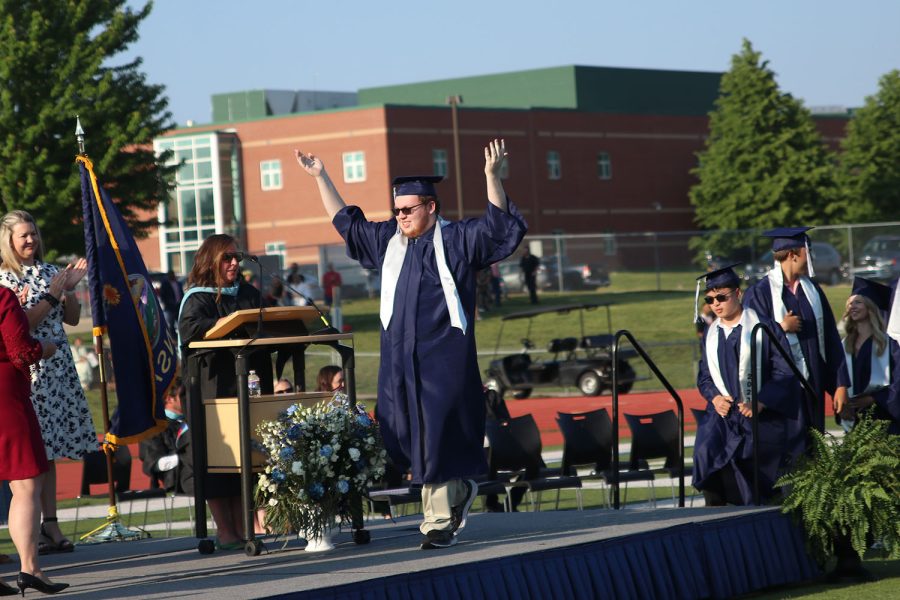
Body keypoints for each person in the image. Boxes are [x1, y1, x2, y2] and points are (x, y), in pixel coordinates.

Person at [295, 138, 527, 549]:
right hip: (398, 363)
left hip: (444, 361)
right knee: (400, 434)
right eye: (397, 210)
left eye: (408, 209)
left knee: (434, 436)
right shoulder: (390, 242)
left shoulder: (457, 240)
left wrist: (492, 178)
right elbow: (348, 224)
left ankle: (436, 522)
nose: (400, 216)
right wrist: (321, 178)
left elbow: (497, 228)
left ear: (431, 207)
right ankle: (457, 493)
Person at [0, 210, 98, 556]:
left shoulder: (50, 271)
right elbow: (19, 326)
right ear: (9, 241)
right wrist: (53, 296)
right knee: (29, 454)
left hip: (58, 368)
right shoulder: (5, 280)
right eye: (23, 236)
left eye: (33, 234)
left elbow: (71, 319)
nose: (31, 241)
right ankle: (29, 531)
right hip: (29, 368)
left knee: (51, 449)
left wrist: (70, 290)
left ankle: (50, 524)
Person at [178, 234, 273, 548]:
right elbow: (191, 331)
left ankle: (247, 525)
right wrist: (229, 323)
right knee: (219, 461)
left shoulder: (247, 292)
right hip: (210, 390)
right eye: (227, 258)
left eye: (237, 258)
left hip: (246, 386)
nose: (234, 263)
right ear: (211, 260)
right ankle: (225, 530)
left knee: (245, 458)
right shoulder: (197, 298)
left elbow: (266, 324)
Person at [693, 265, 800, 505]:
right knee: (706, 454)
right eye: (710, 299)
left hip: (757, 415)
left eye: (722, 297)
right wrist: (714, 398)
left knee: (752, 469)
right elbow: (704, 376)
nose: (716, 304)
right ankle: (715, 516)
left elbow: (784, 372)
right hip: (722, 416)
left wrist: (762, 400)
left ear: (738, 294)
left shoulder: (764, 328)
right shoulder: (711, 334)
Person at [742, 227, 849, 457]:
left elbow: (830, 338)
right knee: (787, 460)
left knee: (813, 454)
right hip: (779, 393)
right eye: (808, 251)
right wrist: (780, 328)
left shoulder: (813, 291)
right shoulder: (759, 293)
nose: (811, 257)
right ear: (793, 254)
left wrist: (840, 384)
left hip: (813, 388)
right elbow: (748, 342)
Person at [0, 286, 68, 595]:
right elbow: (21, 351)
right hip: (5, 398)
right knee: (26, 484)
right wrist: (47, 347)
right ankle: (31, 568)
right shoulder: (2, 296)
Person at [839, 277, 899, 434]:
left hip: (884, 422)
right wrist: (841, 405)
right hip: (854, 422)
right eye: (850, 303)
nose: (852, 306)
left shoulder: (889, 346)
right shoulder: (843, 346)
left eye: (858, 302)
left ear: (870, 307)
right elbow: (837, 381)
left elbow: (898, 382)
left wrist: (874, 399)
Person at [139, 379, 190, 494]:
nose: (188, 399)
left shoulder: (190, 421)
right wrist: (187, 457)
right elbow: (154, 462)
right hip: (177, 481)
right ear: (169, 398)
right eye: (183, 395)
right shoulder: (154, 427)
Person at [158, 270, 184, 335]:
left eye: (173, 274)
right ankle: (173, 338)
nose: (172, 276)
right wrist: (166, 303)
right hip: (169, 307)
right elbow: (162, 295)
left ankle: (180, 336)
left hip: (178, 306)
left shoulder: (178, 283)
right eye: (171, 275)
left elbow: (181, 293)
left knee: (181, 322)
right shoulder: (165, 284)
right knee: (170, 324)